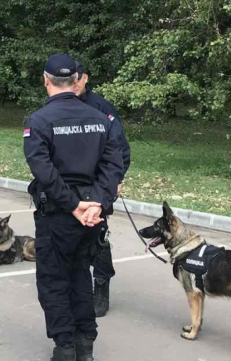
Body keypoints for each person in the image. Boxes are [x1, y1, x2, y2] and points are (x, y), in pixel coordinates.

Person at [24, 54, 124, 361]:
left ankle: (66, 349)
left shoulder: (39, 121)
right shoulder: (99, 118)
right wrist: (97, 204)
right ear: (75, 80)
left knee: (54, 281)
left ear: (46, 80)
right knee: (81, 276)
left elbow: (44, 171)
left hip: (59, 214)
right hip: (90, 215)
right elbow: (113, 165)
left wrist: (74, 206)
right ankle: (85, 348)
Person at [71, 61, 131, 318]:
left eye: (76, 79)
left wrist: (115, 180)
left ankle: (101, 287)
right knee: (70, 236)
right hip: (69, 185)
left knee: (98, 236)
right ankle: (74, 286)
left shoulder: (101, 108)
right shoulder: (59, 107)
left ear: (85, 78)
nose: (72, 84)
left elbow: (120, 149)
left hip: (97, 184)